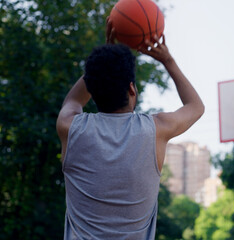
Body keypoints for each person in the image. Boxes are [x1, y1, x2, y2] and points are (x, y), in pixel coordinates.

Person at [56, 18, 204, 239]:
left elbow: (73, 100)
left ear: (92, 90)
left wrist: (103, 62)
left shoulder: (70, 127)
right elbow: (195, 106)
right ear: (132, 90)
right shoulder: (156, 129)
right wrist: (167, 60)